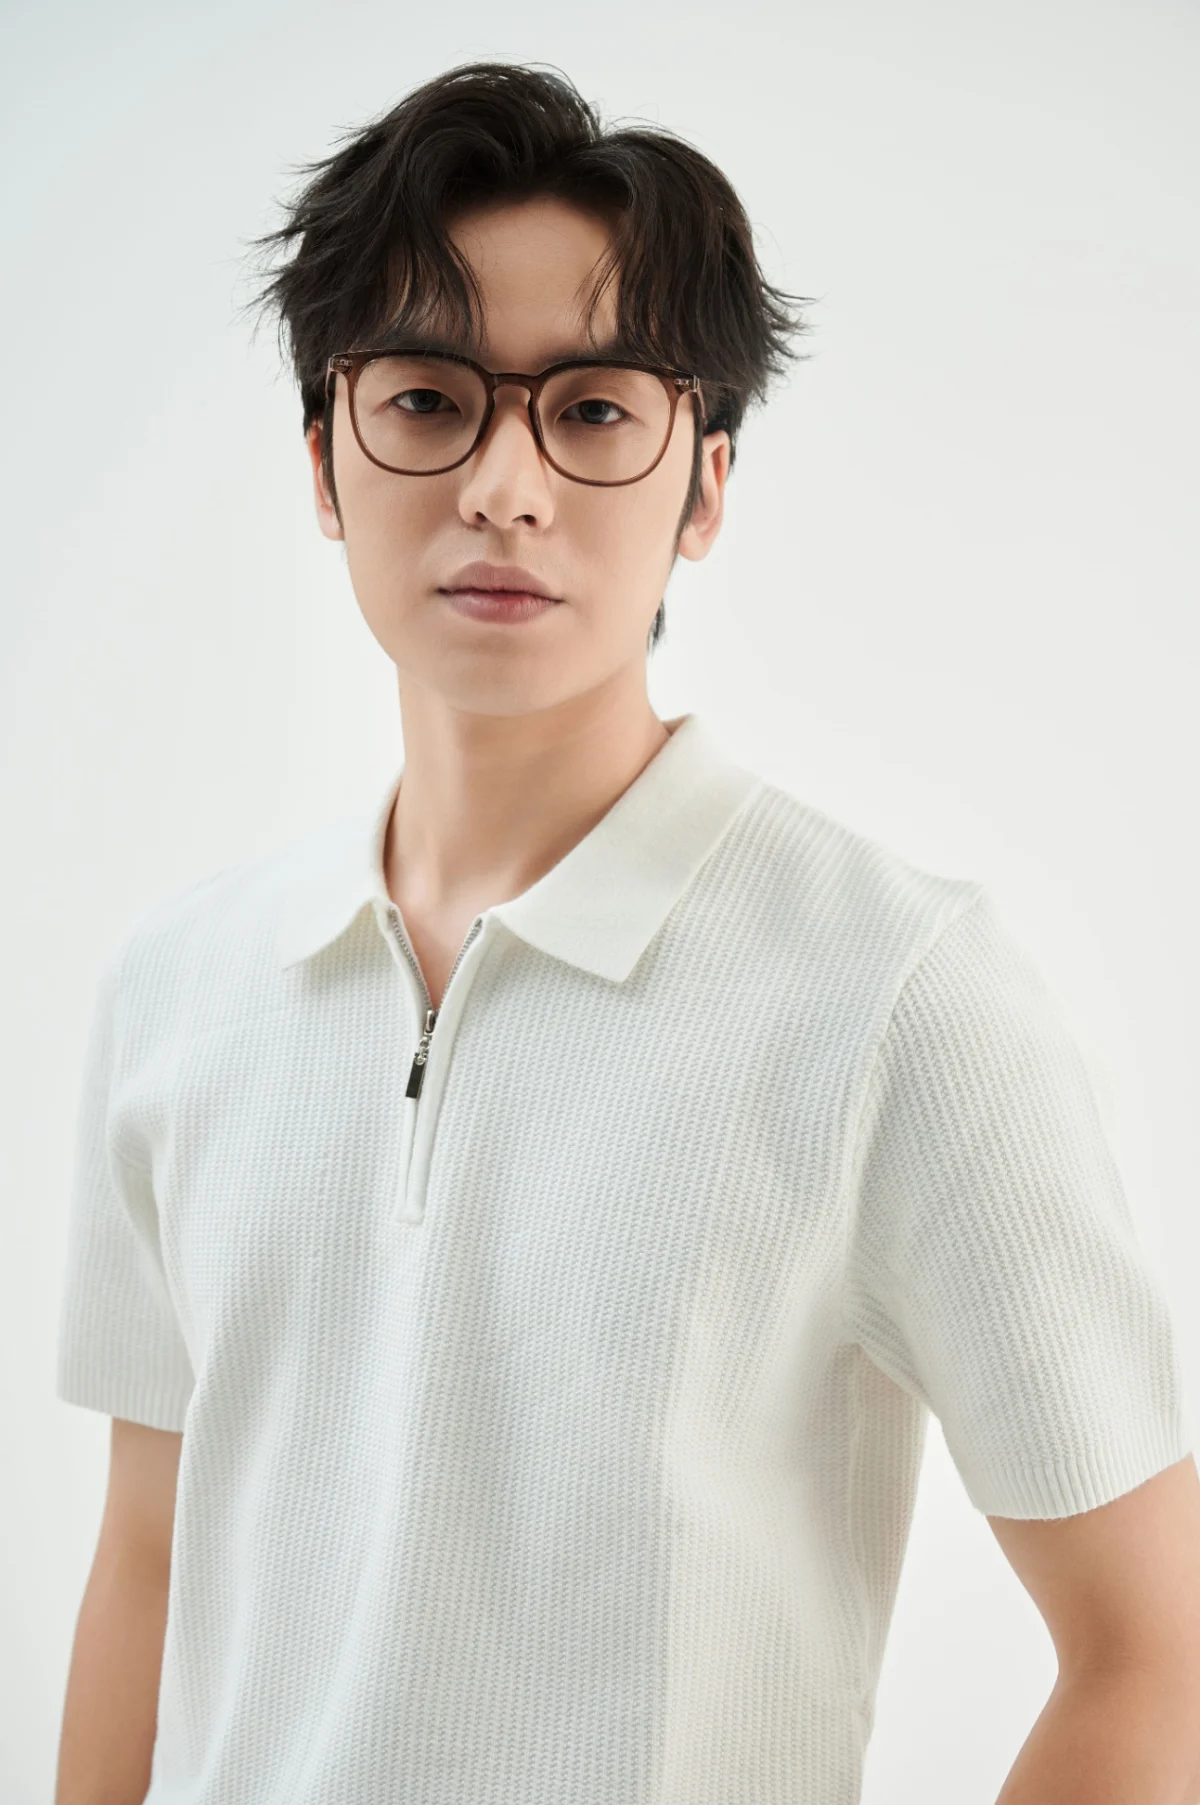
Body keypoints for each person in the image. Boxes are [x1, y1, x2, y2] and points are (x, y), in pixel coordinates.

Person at [53, 59, 1200, 1805]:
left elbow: (1154, 1653)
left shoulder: (895, 991)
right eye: (427, 399)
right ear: (323, 463)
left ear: (706, 486)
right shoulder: (178, 990)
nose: (505, 484)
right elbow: (147, 1560)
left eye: (592, 411)